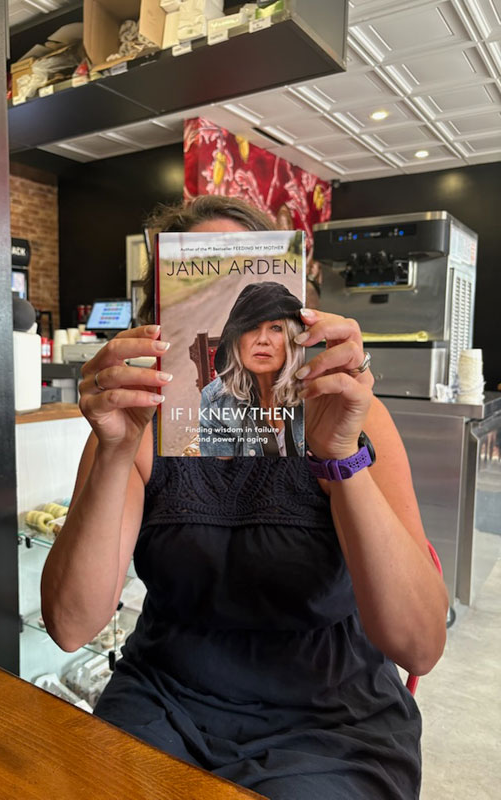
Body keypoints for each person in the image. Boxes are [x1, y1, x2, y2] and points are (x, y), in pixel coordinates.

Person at [41, 195, 448, 800]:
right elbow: (71, 626)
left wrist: (340, 456)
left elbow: (419, 643)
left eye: (255, 297)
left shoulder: (349, 418)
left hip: (331, 717)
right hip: (164, 697)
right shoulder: (140, 430)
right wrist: (115, 451)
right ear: (164, 319)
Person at [199, 282, 305, 457]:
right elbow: (219, 478)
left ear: (293, 339)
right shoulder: (215, 401)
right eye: (252, 327)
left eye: (276, 328)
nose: (263, 339)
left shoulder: (312, 391)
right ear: (237, 340)